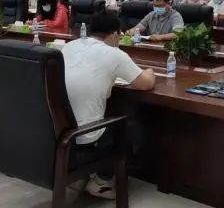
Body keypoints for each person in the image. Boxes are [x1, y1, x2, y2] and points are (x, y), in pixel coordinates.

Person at [62, 11, 155, 198]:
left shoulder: (68, 47)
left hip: (60, 132)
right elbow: (146, 83)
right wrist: (150, 71)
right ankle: (101, 181)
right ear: (114, 34)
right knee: (132, 127)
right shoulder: (114, 54)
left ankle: (78, 177)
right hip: (84, 137)